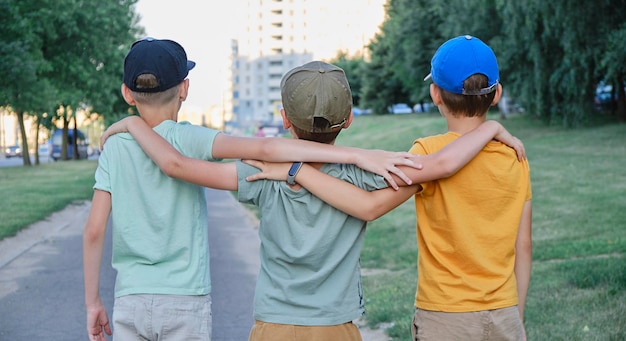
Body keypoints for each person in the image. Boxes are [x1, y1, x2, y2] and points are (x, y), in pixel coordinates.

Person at [99, 59, 525, 340]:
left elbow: (180, 166)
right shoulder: (368, 173)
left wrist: (136, 126)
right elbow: (441, 165)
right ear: (351, 119)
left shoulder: (259, 172)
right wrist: (489, 129)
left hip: (273, 326)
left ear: (284, 119)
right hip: (337, 326)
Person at [82, 39, 421, 341]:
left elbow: (98, 228)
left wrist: (131, 124)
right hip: (325, 322)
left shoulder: (259, 175)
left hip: (256, 321)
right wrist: (359, 156)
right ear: (184, 89)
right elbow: (427, 172)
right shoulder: (356, 175)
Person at [248, 36, 532, 341]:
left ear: (435, 94)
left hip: (446, 315)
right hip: (504, 312)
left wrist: (297, 170)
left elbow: (369, 206)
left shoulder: (428, 152)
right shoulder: (516, 157)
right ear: (496, 94)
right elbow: (523, 246)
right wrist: (516, 316)